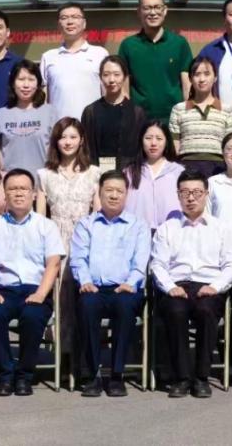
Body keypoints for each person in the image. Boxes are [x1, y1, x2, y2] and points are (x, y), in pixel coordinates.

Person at [151, 169, 232, 398]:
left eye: (197, 192)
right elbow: (157, 264)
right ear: (178, 195)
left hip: (209, 285)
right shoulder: (167, 228)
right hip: (177, 284)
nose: (191, 198)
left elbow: (231, 266)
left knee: (206, 311)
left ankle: (201, 377)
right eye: (185, 193)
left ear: (206, 194)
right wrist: (170, 287)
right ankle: (181, 377)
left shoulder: (223, 228)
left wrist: (215, 287)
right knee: (175, 311)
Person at [0, 169, 66, 396]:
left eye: (24, 189)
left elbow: (53, 264)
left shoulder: (46, 226)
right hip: (4, 289)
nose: (18, 193)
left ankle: (25, 375)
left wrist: (41, 294)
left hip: (36, 289)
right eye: (13, 189)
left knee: (32, 317)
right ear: (5, 194)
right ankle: (5, 375)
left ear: (34, 194)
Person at [70, 170, 152, 397]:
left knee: (125, 307)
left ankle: (117, 375)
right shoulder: (86, 224)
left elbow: (141, 261)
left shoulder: (138, 225)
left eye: (119, 191)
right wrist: (85, 281)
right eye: (109, 190)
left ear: (126, 195)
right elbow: (78, 258)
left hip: (125, 288)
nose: (114, 195)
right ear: (99, 193)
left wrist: (131, 282)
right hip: (93, 287)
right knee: (86, 305)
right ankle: (92, 375)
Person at [118, 0, 193, 122]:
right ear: (139, 12)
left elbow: (187, 85)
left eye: (157, 7)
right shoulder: (128, 46)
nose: (152, 12)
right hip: (139, 120)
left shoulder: (179, 43)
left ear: (165, 10)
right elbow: (124, 88)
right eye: (147, 8)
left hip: (174, 119)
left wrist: (188, 116)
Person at [168, 57, 232, 178]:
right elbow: (175, 146)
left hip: (218, 169)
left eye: (207, 74)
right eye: (197, 74)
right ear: (190, 78)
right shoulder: (178, 109)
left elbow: (230, 145)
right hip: (186, 169)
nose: (202, 79)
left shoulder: (227, 110)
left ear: (215, 78)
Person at [0, 59, 59, 181]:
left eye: (31, 80)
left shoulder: (50, 112)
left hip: (43, 183)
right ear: (13, 83)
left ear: (38, 84)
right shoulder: (0, 115)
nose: (26, 85)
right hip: (11, 184)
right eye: (21, 79)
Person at [37, 118, 101, 248]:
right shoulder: (45, 175)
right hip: (55, 241)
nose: (67, 142)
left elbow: (97, 214)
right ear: (56, 141)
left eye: (73, 137)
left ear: (81, 140)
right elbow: (40, 217)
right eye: (62, 137)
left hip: (85, 240)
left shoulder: (94, 173)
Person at [40, 2, 109, 122]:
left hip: (92, 126)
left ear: (84, 23)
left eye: (75, 17)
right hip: (59, 128)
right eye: (64, 18)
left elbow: (107, 93)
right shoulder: (48, 57)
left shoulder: (100, 54)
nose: (70, 22)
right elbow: (44, 98)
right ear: (58, 24)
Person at [80, 55, 147, 172]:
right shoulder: (90, 111)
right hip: (97, 173)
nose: (111, 80)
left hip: (129, 173)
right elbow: (86, 148)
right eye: (106, 75)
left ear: (125, 77)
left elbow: (140, 149)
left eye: (117, 74)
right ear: (100, 77)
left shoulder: (136, 112)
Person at [123, 119, 185, 229]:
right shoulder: (129, 172)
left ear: (166, 142)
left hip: (170, 233)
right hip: (137, 233)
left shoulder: (178, 172)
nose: (153, 143)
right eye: (148, 138)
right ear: (141, 141)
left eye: (159, 139)